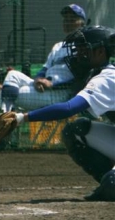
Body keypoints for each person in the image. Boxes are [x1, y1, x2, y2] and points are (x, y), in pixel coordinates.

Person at [10, 25, 115, 201]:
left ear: (100, 52)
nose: (78, 54)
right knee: (76, 131)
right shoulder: (98, 74)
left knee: (113, 184)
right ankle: (107, 181)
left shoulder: (107, 78)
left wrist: (21, 118)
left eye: (84, 49)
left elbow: (68, 108)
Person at [0, 4, 88, 112]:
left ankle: (5, 116)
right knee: (12, 75)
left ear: (82, 24)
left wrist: (52, 84)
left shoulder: (83, 48)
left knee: (8, 93)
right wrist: (38, 80)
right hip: (44, 89)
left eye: (72, 20)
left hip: (60, 94)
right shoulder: (58, 46)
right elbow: (44, 69)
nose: (67, 23)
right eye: (65, 19)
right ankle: (7, 114)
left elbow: (80, 79)